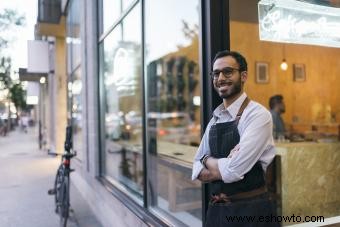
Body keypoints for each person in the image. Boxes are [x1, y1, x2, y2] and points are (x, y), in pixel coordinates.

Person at [192, 50, 278, 226]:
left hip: (251, 213)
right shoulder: (215, 118)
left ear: (243, 75)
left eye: (228, 71)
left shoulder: (257, 115)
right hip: (217, 212)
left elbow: (233, 171)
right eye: (216, 73)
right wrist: (209, 160)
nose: (221, 78)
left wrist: (207, 160)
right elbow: (196, 168)